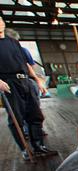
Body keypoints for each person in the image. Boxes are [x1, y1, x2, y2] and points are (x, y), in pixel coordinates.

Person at [0, 16, 55, 160]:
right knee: (16, 118)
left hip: (25, 80)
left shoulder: (13, 42)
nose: (0, 23)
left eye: (0, 20)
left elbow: (26, 63)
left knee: (35, 115)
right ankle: (25, 150)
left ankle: (39, 146)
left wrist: (37, 79)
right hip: (8, 84)